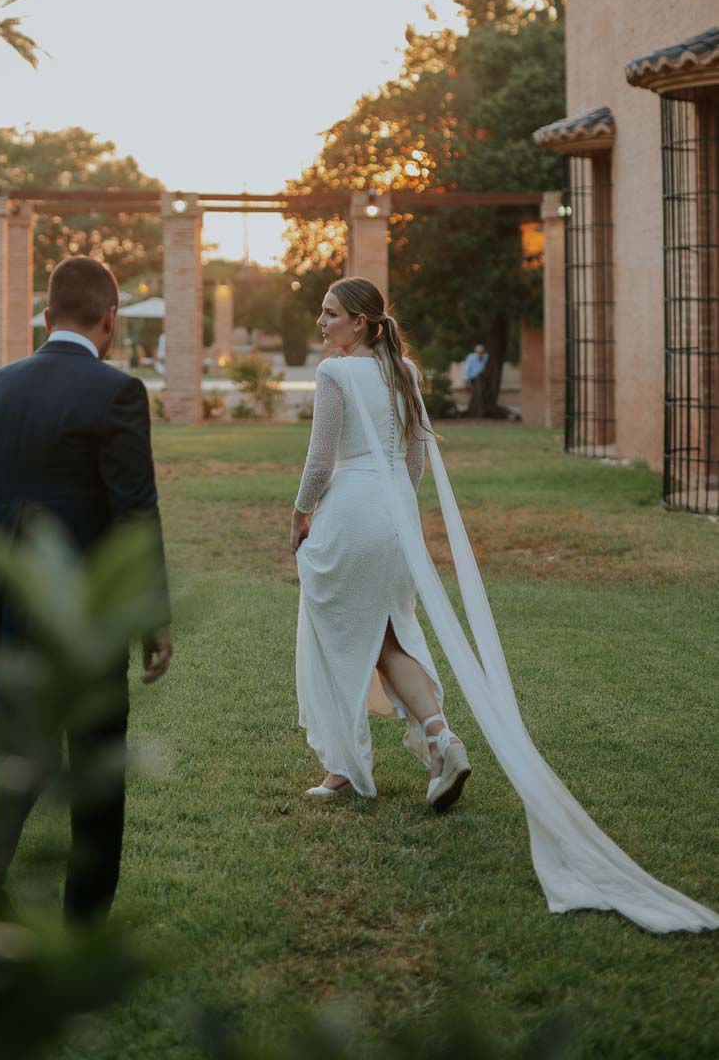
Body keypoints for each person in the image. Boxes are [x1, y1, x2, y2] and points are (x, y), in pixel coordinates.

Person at [290, 276, 717, 935]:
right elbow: (412, 460)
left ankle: (345, 768)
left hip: (348, 511)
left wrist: (298, 514)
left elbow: (320, 461)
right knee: (383, 635)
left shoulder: (335, 374)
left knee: (347, 634)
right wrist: (398, 515)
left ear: (360, 323)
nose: (320, 323)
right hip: (393, 517)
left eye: (330, 314)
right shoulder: (402, 370)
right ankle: (437, 738)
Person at [0, 254, 172, 922]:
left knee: (6, 748)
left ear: (45, 316)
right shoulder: (116, 392)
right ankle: (84, 919)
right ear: (110, 319)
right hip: (82, 612)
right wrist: (153, 617)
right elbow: (134, 511)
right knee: (97, 755)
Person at [463, 342, 489, 414]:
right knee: (477, 393)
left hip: (484, 379)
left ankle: (482, 409)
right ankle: (476, 410)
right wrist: (466, 380)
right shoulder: (471, 357)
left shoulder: (486, 357)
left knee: (483, 394)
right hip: (474, 378)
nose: (480, 353)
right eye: (478, 352)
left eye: (481, 352)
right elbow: (467, 369)